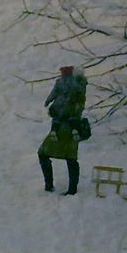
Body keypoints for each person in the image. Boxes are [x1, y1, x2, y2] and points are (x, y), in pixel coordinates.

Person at [38, 65, 88, 195]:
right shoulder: (75, 85)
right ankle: (67, 188)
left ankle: (54, 186)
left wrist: (53, 106)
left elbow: (68, 99)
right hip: (66, 124)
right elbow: (56, 93)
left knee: (48, 154)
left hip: (67, 124)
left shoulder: (74, 86)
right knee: (69, 157)